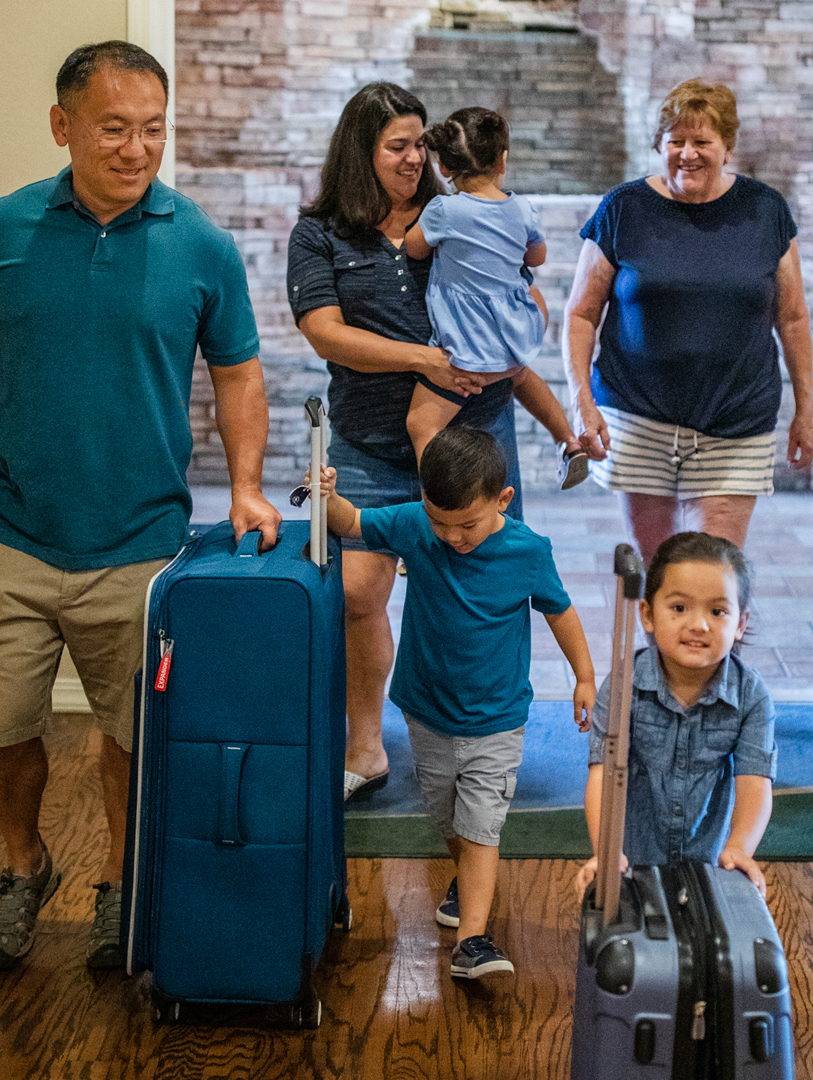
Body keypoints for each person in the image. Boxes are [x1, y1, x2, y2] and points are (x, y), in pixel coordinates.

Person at [0, 41, 279, 971]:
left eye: (152, 128)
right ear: (62, 125)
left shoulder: (199, 244)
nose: (135, 147)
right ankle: (23, 865)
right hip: (13, 532)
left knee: (130, 734)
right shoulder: (1, 229)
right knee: (0, 731)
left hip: (142, 543)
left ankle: (119, 882)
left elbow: (238, 373)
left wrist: (243, 485)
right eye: (113, 128)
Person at [288, 84, 527, 803]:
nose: (413, 156)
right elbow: (325, 332)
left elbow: (511, 295)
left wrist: (527, 314)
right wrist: (421, 358)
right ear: (362, 152)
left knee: (471, 596)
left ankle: (476, 744)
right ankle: (366, 740)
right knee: (360, 591)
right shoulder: (320, 233)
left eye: (421, 142)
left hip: (469, 441)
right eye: (398, 144)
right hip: (363, 443)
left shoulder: (453, 217)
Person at [318, 426, 595, 978]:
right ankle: (462, 881)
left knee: (481, 826)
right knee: (447, 816)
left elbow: (561, 612)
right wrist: (327, 498)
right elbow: (351, 524)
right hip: (426, 710)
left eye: (467, 525)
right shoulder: (414, 525)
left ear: (502, 499)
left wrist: (584, 676)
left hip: (496, 718)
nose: (452, 537)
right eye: (440, 523)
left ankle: (473, 940)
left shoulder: (527, 551)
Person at [563, 79, 813, 563]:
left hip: (736, 422)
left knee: (712, 573)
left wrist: (806, 410)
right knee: (658, 572)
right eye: (675, 141)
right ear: (659, 145)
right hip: (637, 417)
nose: (688, 154)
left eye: (702, 141)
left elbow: (793, 318)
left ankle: (719, 644)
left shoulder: (765, 212)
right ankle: (654, 643)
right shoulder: (623, 208)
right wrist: (582, 402)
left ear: (727, 148)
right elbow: (580, 314)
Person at [575, 532, 775, 902]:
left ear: (740, 624)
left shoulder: (751, 694)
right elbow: (602, 772)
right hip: (632, 860)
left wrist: (740, 847)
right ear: (648, 615)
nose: (699, 625)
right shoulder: (623, 686)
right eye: (680, 608)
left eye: (717, 612)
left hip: (709, 862)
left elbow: (754, 781)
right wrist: (606, 850)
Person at [403, 107, 587, 488]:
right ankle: (568, 441)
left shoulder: (444, 210)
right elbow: (537, 256)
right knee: (519, 373)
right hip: (515, 330)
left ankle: (442, 498)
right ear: (502, 160)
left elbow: (413, 249)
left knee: (421, 423)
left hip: (469, 346)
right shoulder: (521, 208)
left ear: (443, 166)